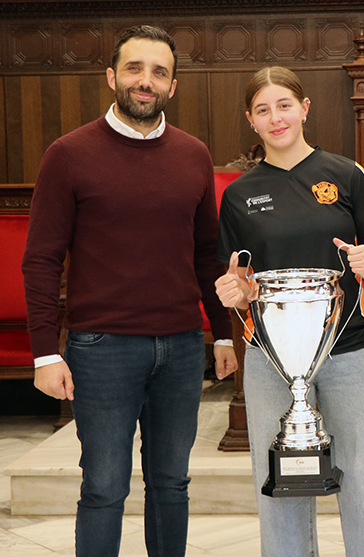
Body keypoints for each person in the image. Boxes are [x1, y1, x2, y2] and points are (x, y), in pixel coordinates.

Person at [21, 25, 238, 557]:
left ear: (173, 86)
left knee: (171, 485)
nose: (147, 81)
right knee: (103, 488)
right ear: (112, 76)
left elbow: (206, 254)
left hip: (183, 347)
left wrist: (224, 337)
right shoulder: (68, 154)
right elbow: (41, 260)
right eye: (136, 69)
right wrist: (46, 353)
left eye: (159, 72)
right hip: (102, 350)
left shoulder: (192, 154)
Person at [214, 66, 364, 557]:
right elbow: (240, 277)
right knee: (278, 477)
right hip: (270, 359)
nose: (275, 117)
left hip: (348, 348)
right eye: (263, 110)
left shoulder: (346, 174)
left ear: (304, 109)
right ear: (251, 121)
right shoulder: (238, 195)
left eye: (284, 105)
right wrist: (234, 292)